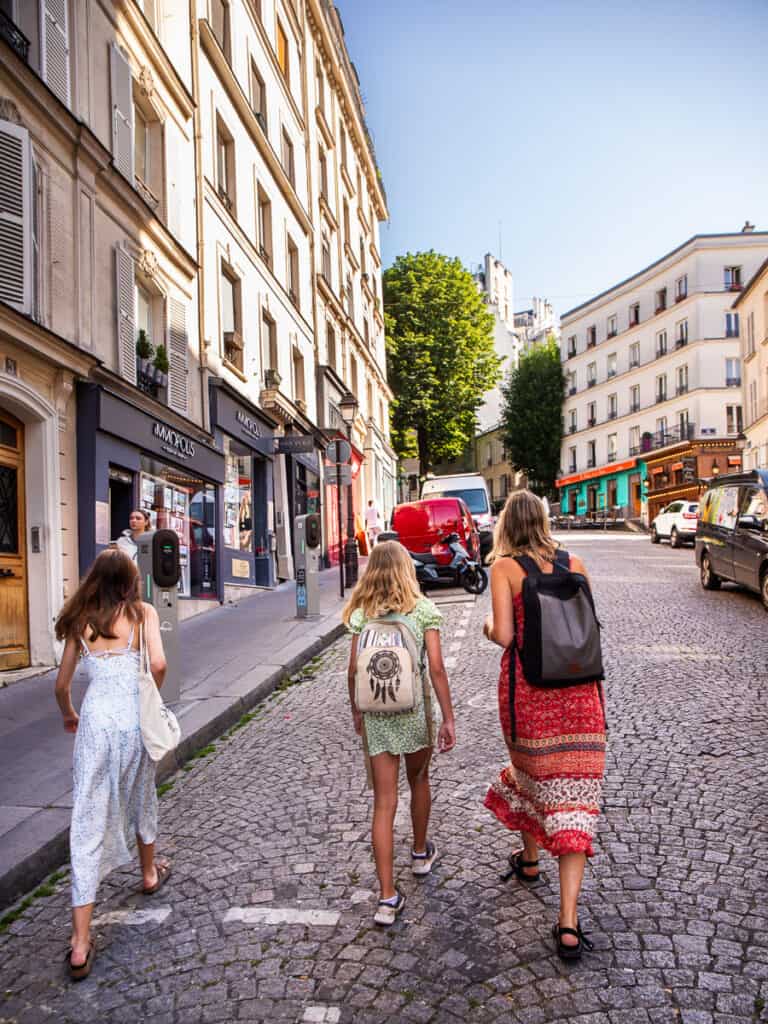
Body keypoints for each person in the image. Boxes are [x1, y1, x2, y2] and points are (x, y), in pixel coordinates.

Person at [482, 490, 606, 960]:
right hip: (582, 701)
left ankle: (531, 861)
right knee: (574, 801)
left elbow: (506, 636)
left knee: (531, 778)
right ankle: (568, 922)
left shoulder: (505, 569)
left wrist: (488, 630)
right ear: (545, 520)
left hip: (530, 700)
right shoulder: (577, 564)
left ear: (507, 525)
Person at [54, 549, 170, 981]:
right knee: (142, 793)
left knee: (85, 821)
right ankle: (148, 873)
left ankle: (80, 942)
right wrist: (148, 695)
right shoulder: (142, 615)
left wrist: (69, 713)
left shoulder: (81, 618)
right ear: (130, 581)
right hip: (133, 722)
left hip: (96, 723)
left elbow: (62, 685)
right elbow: (158, 664)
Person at [343, 541, 456, 926]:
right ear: (407, 569)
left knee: (383, 803)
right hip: (414, 711)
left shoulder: (362, 614)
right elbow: (437, 668)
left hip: (377, 714)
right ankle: (421, 854)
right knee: (419, 779)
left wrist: (357, 711)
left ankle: (387, 898)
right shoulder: (423, 610)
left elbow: (353, 672)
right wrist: (448, 717)